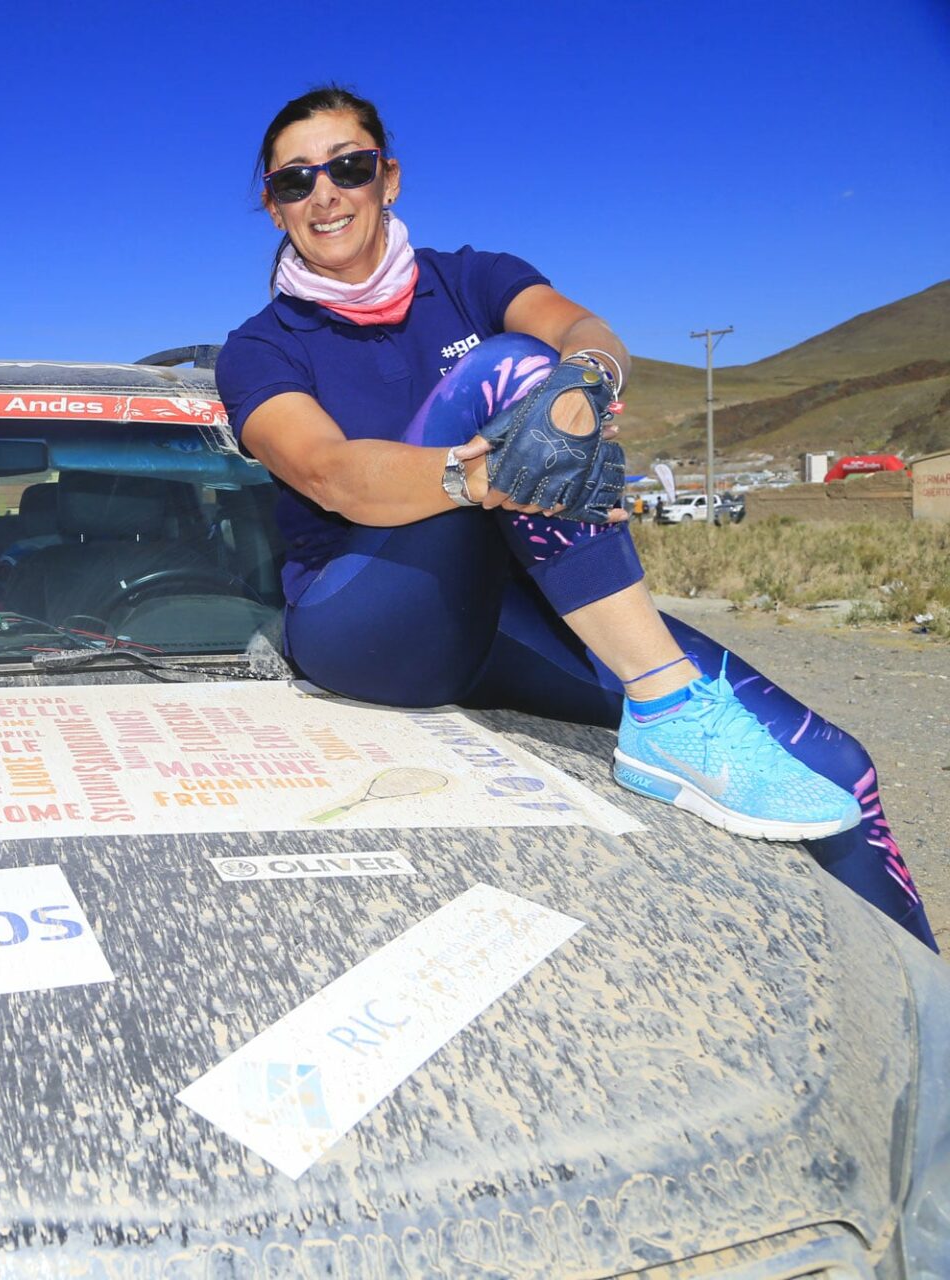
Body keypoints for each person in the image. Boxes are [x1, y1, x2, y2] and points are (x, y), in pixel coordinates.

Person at [217, 85, 935, 951]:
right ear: (274, 206)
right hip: (370, 621)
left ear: (389, 178)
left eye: (348, 167)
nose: (324, 193)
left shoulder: (472, 278)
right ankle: (666, 706)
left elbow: (587, 331)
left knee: (840, 772)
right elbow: (329, 474)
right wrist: (486, 476)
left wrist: (584, 386)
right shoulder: (260, 347)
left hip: (512, 611)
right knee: (511, 368)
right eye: (295, 180)